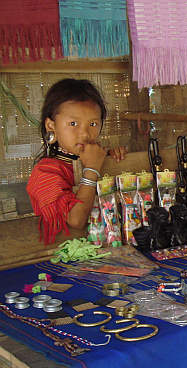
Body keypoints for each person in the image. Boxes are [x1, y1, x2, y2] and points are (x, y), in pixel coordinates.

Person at [26, 78, 127, 245]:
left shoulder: (98, 157)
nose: (85, 134)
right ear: (51, 126)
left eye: (93, 124)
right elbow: (76, 220)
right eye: (73, 123)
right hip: (63, 257)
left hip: (108, 249)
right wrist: (92, 169)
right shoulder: (45, 174)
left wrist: (115, 158)